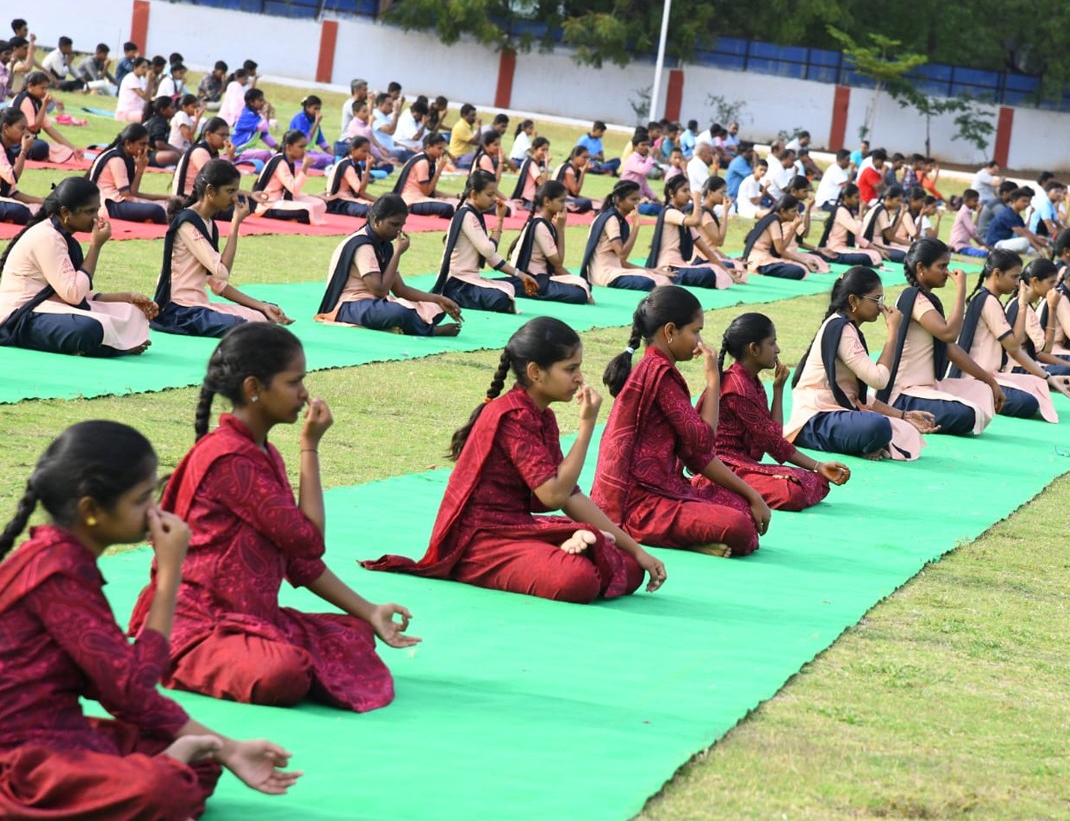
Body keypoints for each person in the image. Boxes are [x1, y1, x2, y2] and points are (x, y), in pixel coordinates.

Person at [0, 420, 303, 818]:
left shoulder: (60, 558)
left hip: (60, 735)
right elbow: (134, 690)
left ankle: (165, 765)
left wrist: (229, 748)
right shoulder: (56, 574)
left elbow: (126, 695)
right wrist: (171, 569)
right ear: (91, 510)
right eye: (142, 500)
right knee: (163, 788)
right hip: (20, 757)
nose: (154, 513)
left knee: (206, 762)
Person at [127, 325, 418, 711]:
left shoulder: (261, 453)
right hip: (196, 624)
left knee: (354, 633)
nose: (304, 394)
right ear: (254, 388)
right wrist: (310, 448)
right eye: (294, 381)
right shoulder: (232, 459)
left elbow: (299, 561)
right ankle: (179, 659)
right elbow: (310, 540)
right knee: (283, 673)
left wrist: (369, 611)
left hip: (249, 616)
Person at [363, 317, 666, 600]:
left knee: (631, 568)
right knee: (578, 581)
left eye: (578, 368)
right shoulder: (512, 416)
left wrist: (638, 551)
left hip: (516, 528)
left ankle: (579, 546)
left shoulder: (542, 417)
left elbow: (570, 495)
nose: (578, 378)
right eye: (570, 369)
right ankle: (576, 549)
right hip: (480, 543)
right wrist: (587, 426)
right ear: (536, 372)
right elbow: (552, 495)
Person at [593, 286, 769, 557]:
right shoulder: (661, 374)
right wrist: (713, 379)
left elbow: (696, 457)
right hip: (636, 504)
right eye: (695, 331)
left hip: (660, 488)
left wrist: (752, 495)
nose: (700, 341)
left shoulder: (658, 369)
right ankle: (648, 533)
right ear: (670, 331)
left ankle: (687, 537)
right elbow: (703, 442)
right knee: (740, 526)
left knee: (743, 508)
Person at [702, 312, 848, 509]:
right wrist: (818, 465)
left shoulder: (750, 380)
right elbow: (775, 443)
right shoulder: (737, 389)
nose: (777, 349)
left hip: (743, 464)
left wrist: (778, 391)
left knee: (814, 481)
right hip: (722, 468)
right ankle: (714, 487)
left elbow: (773, 436)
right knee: (791, 492)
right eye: (772, 343)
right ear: (754, 348)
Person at [786, 267, 934, 459]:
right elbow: (879, 380)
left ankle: (861, 442)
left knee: (900, 428)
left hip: (833, 415)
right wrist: (893, 333)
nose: (882, 307)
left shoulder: (846, 326)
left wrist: (903, 415)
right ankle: (855, 443)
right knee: (878, 426)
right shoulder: (843, 330)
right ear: (854, 301)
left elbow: (859, 397)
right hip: (815, 419)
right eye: (876, 300)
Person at [0, 177, 155, 356]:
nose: (96, 218)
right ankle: (108, 345)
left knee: (132, 312)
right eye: (89, 212)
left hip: (55, 306)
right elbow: (73, 294)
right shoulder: (47, 237)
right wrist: (95, 247)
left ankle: (107, 343)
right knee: (90, 328)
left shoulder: (63, 237)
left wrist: (125, 297)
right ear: (66, 212)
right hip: (22, 315)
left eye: (97, 210)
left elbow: (79, 294)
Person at [875, 238, 1004, 435]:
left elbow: (951, 349)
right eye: (941, 266)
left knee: (983, 391)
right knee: (968, 414)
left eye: (947, 266)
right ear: (921, 268)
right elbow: (950, 334)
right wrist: (961, 289)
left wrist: (990, 381)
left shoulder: (925, 299)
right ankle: (908, 414)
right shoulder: (915, 298)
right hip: (905, 393)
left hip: (928, 387)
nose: (947, 272)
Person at [152, 160, 289, 337]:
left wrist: (261, 306)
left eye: (236, 192)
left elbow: (218, 284)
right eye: (230, 191)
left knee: (263, 316)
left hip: (200, 306)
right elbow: (221, 271)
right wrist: (235, 224)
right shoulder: (187, 223)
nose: (234, 198)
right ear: (210, 191)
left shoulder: (208, 224)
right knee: (241, 326)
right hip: (180, 310)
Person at [953, 250, 1070, 421]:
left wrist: (1047, 378)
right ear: (996, 274)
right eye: (1014, 277)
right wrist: (1023, 305)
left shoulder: (991, 300)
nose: (1017, 283)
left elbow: (1015, 349)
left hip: (992, 375)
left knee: (1037, 386)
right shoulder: (989, 301)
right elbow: (1014, 346)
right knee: (1028, 402)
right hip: (978, 378)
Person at [316, 193, 461, 336]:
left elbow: (400, 289)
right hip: (350, 306)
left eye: (402, 225)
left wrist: (438, 298)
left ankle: (406, 324)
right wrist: (397, 254)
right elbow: (378, 291)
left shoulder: (385, 245)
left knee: (438, 308)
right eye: (394, 224)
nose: (399, 230)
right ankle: (430, 330)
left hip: (376, 304)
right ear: (377, 220)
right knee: (401, 312)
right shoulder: (363, 245)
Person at [432, 170, 536, 313]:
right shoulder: (467, 215)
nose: (494, 199)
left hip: (468, 280)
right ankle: (454, 297)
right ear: (474, 194)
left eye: (494, 194)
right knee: (501, 297)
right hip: (457, 283)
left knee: (513, 285)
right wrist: (499, 221)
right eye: (489, 194)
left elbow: (491, 258)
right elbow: (488, 249)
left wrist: (521, 275)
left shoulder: (474, 215)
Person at [1012, 258, 1070, 386]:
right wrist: (1053, 308)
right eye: (1051, 282)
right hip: (1017, 365)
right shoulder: (1025, 307)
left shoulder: (1026, 304)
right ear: (1035, 281)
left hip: (1036, 357)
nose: (1055, 287)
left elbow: (1040, 351)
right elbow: (1048, 348)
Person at [508, 180, 591, 304]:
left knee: (584, 285)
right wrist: (561, 230)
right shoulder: (541, 226)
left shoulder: (545, 224)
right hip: (533, 279)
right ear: (547, 202)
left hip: (543, 277)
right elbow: (557, 263)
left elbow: (557, 268)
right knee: (579, 293)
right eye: (561, 201)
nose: (565, 206)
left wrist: (578, 281)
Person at [645, 177, 735, 288]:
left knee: (719, 269)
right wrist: (697, 202)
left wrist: (725, 270)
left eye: (689, 190)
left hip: (681, 266)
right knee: (710, 273)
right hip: (670, 267)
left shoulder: (683, 220)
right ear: (671, 193)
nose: (688, 194)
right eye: (684, 191)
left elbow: (705, 249)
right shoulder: (670, 212)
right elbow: (695, 221)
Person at [580, 180, 671, 291]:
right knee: (649, 282)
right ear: (619, 200)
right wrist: (636, 227)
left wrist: (651, 270)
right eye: (633, 199)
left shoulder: (620, 220)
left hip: (615, 270)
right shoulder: (611, 219)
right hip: (605, 275)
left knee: (661, 278)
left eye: (638, 199)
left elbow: (621, 261)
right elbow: (622, 254)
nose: (637, 203)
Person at [87, 124, 173, 224]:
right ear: (128, 144)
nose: (146, 148)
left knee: (164, 205)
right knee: (157, 210)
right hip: (109, 204)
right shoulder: (117, 160)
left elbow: (133, 192)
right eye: (142, 144)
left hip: (118, 201)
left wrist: (140, 169)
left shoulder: (128, 157)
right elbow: (127, 194)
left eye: (146, 144)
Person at [251, 131, 329, 225]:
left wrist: (312, 195)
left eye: (305, 147)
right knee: (306, 210)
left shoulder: (289, 161)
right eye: (301, 147)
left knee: (320, 204)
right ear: (288, 147)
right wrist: (304, 168)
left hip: (281, 199)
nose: (304, 151)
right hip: (269, 202)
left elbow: (291, 191)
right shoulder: (280, 163)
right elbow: (294, 189)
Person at [11, 72, 82, 164]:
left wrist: (72, 148)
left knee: (60, 148)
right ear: (30, 86)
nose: (45, 91)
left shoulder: (37, 102)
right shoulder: (25, 100)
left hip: (27, 140)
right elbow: (33, 127)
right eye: (42, 88)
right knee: (41, 146)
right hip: (14, 142)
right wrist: (44, 105)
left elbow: (49, 129)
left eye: (46, 88)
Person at [741, 194, 817, 280]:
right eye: (793, 211)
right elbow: (780, 250)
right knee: (799, 270)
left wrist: (804, 261)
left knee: (801, 266)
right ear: (783, 211)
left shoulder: (772, 218)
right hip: (760, 262)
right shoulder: (774, 221)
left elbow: (781, 249)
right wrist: (793, 228)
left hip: (759, 259)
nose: (796, 214)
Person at [171, 116, 236, 201]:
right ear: (208, 134)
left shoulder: (213, 152)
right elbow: (218, 181)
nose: (226, 139)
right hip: (187, 199)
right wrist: (230, 157)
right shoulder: (200, 152)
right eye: (222, 135)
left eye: (227, 135)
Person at [817, 184, 883, 266]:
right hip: (835, 249)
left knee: (875, 254)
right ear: (846, 197)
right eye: (856, 197)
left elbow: (856, 237)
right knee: (865, 257)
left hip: (844, 248)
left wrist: (878, 249)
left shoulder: (847, 210)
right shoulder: (841, 211)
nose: (859, 200)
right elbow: (856, 230)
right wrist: (861, 211)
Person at [392, 132, 455, 218]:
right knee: (448, 208)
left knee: (455, 203)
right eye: (439, 148)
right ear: (428, 147)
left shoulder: (427, 160)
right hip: (412, 201)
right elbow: (426, 192)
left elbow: (431, 191)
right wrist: (439, 171)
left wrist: (456, 196)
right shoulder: (423, 162)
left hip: (417, 199)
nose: (442, 152)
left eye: (443, 149)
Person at [0, 107, 40, 223]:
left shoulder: (9, 152)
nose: (25, 133)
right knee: (21, 211)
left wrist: (41, 200)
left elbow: (11, 192)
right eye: (21, 128)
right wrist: (24, 151)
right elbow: (12, 177)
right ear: (6, 128)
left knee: (42, 208)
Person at [325, 137, 376, 218]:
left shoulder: (357, 166)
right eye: (364, 151)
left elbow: (361, 193)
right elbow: (360, 190)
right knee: (369, 210)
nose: (367, 155)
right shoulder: (347, 165)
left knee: (378, 207)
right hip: (338, 201)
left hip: (348, 199)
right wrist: (367, 169)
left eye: (368, 152)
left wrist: (379, 201)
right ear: (353, 150)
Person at [985, 185, 1045, 253]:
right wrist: (1039, 248)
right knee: (1025, 241)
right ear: (1014, 200)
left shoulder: (1017, 216)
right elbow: (1023, 234)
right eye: (1024, 201)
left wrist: (1045, 245)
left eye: (1028, 202)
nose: (1027, 204)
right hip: (996, 245)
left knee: (1035, 240)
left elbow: (1027, 232)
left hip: (1006, 243)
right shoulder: (1008, 214)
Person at [287, 95, 335, 170]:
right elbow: (306, 141)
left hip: (308, 152)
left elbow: (323, 144)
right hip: (297, 153)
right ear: (307, 108)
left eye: (319, 109)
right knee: (322, 159)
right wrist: (316, 123)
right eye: (315, 109)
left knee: (331, 158)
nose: (317, 112)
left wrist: (335, 156)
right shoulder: (300, 119)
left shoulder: (313, 121)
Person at [142, 96, 182, 168]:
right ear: (162, 110)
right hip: (145, 154)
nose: (175, 110)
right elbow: (159, 144)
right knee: (174, 156)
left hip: (150, 152)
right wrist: (178, 151)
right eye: (172, 108)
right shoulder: (159, 123)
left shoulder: (160, 120)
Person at [509, 136, 549, 207]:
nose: (545, 153)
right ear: (534, 149)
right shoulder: (531, 164)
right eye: (543, 150)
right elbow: (542, 184)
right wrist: (546, 164)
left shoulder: (530, 162)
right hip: (528, 200)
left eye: (547, 150)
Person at [555, 145, 595, 213]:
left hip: (568, 198)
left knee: (595, 202)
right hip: (559, 199)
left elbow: (574, 195)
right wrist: (583, 172)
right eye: (584, 157)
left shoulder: (576, 171)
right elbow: (575, 192)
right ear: (575, 157)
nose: (586, 161)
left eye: (588, 158)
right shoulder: (568, 169)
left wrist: (594, 199)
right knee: (586, 203)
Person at [949, 189, 989, 257]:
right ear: (967, 200)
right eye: (975, 201)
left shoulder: (967, 212)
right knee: (985, 253)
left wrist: (978, 213)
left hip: (964, 245)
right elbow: (973, 232)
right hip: (959, 246)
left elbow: (973, 229)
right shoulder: (964, 213)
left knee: (984, 250)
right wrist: (985, 246)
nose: (977, 203)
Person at [115, 56, 151, 123]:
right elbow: (145, 97)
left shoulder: (142, 79)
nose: (145, 70)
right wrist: (150, 81)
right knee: (148, 116)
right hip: (126, 112)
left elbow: (148, 98)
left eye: (146, 67)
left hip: (138, 111)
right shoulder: (131, 78)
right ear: (135, 67)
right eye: (143, 67)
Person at [448, 103, 482, 168]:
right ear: (464, 115)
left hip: (465, 156)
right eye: (472, 115)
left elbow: (478, 142)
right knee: (480, 156)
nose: (474, 118)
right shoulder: (461, 126)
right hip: (458, 158)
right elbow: (475, 141)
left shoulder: (467, 125)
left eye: (475, 115)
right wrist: (479, 126)